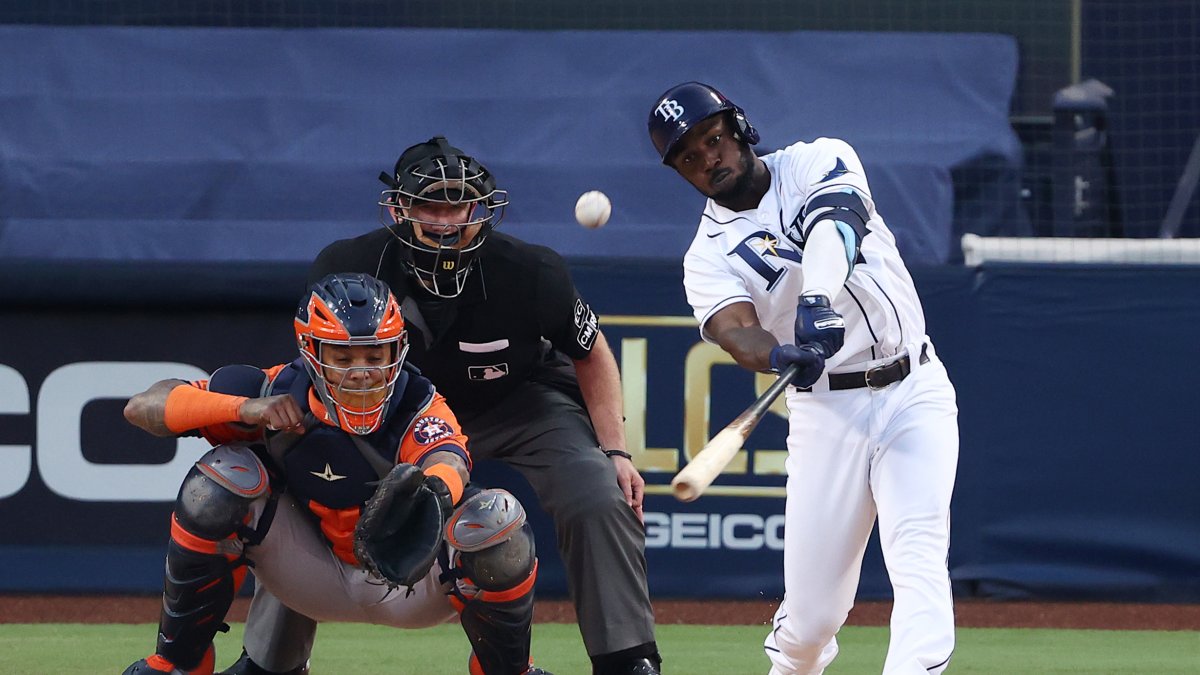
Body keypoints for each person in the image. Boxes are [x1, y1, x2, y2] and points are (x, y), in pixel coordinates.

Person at [221, 137, 662, 675]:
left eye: (460, 206)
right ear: (399, 209)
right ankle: (269, 661)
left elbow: (590, 353)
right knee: (311, 473)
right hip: (395, 411)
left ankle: (626, 660)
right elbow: (318, 364)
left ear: (481, 210)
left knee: (599, 491)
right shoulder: (349, 265)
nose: (447, 221)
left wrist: (616, 451)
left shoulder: (532, 271)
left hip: (521, 405)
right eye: (430, 205)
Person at [647, 82, 959, 674]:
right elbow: (735, 330)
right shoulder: (707, 255)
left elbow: (835, 225)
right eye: (688, 157)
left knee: (917, 556)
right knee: (811, 621)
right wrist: (776, 355)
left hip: (911, 388)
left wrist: (815, 297)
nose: (708, 159)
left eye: (712, 139)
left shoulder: (819, 158)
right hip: (826, 412)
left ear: (738, 129)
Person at [121, 272, 551, 675]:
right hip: (309, 575)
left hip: (409, 582)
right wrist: (243, 409)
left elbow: (449, 458)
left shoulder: (420, 403)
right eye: (343, 356)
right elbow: (142, 407)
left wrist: (436, 491)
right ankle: (177, 665)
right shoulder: (273, 390)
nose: (361, 372)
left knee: (496, 521)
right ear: (311, 352)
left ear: (397, 351)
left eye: (374, 355)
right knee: (220, 481)